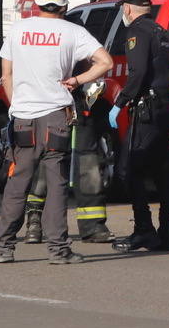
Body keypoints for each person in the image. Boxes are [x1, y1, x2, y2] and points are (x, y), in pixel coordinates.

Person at [0, 0, 112, 265]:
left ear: (38, 0)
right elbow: (106, 62)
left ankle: (2, 247)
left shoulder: (18, 30)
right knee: (55, 185)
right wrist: (77, 80)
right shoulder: (73, 32)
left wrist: (17, 105)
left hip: (24, 118)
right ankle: (59, 250)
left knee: (19, 181)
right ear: (65, 1)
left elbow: (6, 75)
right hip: (56, 116)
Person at [109, 0, 169, 254]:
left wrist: (119, 103)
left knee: (129, 169)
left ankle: (144, 231)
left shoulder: (137, 32)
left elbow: (137, 74)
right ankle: (167, 232)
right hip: (167, 108)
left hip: (149, 110)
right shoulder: (163, 33)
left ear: (127, 9)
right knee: (163, 171)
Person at [23, 78, 114, 245]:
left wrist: (84, 79)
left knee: (89, 163)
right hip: (47, 103)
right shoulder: (40, 50)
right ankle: (34, 220)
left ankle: (93, 225)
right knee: (47, 161)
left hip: (80, 104)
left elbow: (100, 62)